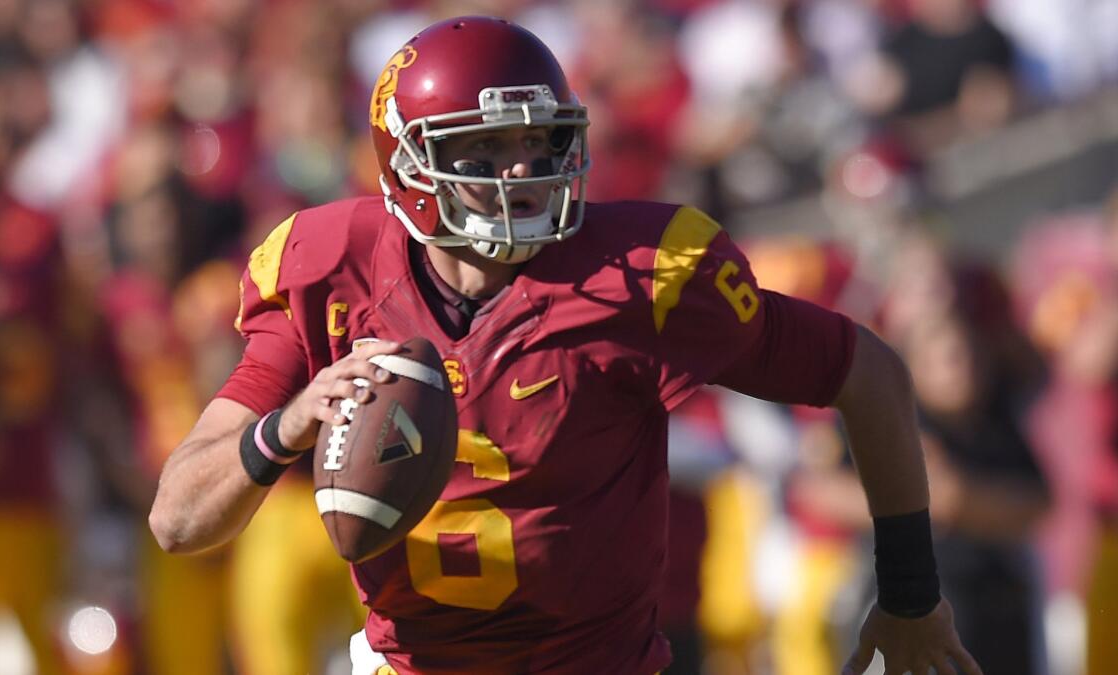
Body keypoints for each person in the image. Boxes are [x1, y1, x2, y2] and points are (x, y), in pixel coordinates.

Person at [149, 16, 981, 675]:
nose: (523, 172)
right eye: (484, 149)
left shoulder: (637, 276)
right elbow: (178, 519)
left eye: (538, 142)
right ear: (408, 166)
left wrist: (911, 593)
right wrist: (286, 425)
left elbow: (864, 370)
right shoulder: (329, 271)